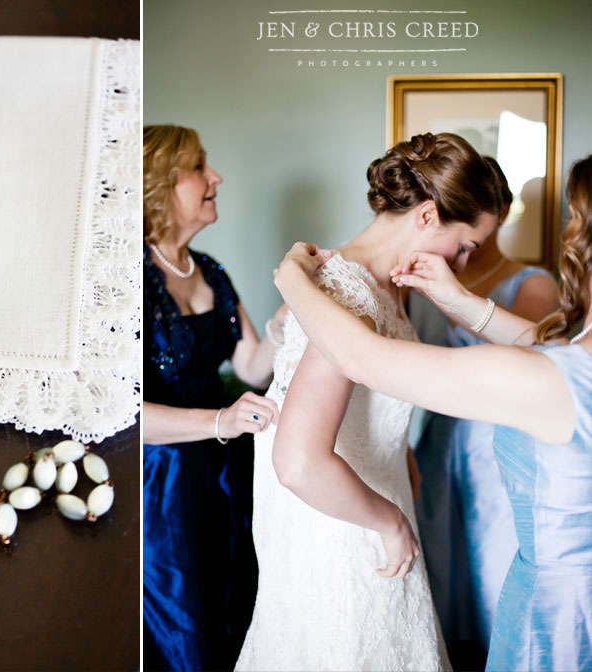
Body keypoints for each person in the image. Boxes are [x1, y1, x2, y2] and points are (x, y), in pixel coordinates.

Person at [273, 154, 592, 672]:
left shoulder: (555, 377)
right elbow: (549, 344)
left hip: (562, 612)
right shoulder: (573, 357)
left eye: (574, 221)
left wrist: (291, 279)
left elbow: (359, 358)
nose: (568, 233)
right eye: (465, 245)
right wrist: (459, 300)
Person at [235, 132, 501, 672]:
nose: (466, 263)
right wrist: (390, 522)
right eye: (467, 244)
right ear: (427, 215)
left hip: (372, 496)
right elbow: (300, 460)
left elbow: (368, 400)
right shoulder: (345, 295)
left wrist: (400, 459)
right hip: (340, 521)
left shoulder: (387, 288)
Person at [142, 125, 286, 671]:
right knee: (186, 626)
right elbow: (125, 413)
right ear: (161, 183)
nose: (216, 177)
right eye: (201, 166)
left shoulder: (212, 271)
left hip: (225, 474)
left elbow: (250, 364)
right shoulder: (127, 279)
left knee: (234, 608)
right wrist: (219, 420)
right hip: (162, 485)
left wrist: (289, 312)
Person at [408, 156, 560, 657]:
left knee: (492, 558)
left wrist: (453, 297)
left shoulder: (532, 281)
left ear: (502, 210)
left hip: (496, 441)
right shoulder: (417, 272)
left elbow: (532, 355)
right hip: (438, 436)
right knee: (439, 557)